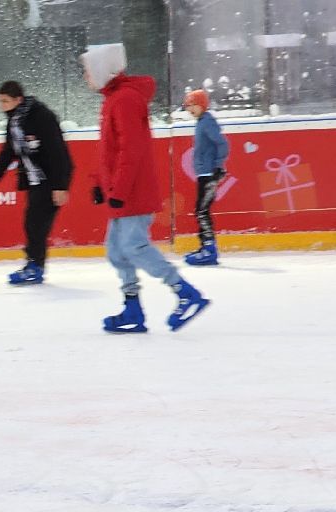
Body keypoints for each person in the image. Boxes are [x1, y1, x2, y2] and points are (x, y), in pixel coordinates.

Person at [82, 43, 209, 333]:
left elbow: (132, 150)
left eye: (89, 70)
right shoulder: (114, 98)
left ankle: (186, 293)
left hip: (132, 192)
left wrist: (120, 191)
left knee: (134, 247)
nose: (86, 77)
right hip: (120, 190)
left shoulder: (125, 99)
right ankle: (132, 308)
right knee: (116, 251)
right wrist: (99, 183)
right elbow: (109, 150)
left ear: (104, 69)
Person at [0, 80, 73, 286]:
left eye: (5, 101)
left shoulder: (42, 117)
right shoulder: (15, 119)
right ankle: (34, 265)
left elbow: (58, 153)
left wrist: (60, 186)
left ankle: (35, 266)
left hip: (50, 179)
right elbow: (9, 149)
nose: (2, 106)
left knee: (36, 224)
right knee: (33, 223)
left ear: (18, 99)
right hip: (34, 179)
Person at [183, 89, 230, 267]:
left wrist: (218, 167)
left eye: (191, 105)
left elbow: (223, 143)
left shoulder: (208, 122)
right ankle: (205, 247)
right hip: (204, 173)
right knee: (201, 210)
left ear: (201, 104)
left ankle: (209, 250)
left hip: (209, 173)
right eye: (187, 106)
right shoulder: (202, 122)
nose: (189, 110)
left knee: (202, 211)